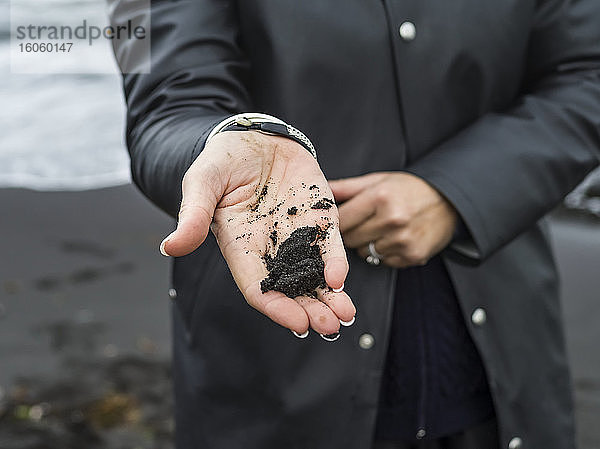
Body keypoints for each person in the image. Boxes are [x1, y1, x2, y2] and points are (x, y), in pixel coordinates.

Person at [109, 1, 600, 448]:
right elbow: (161, 107)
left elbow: (587, 72)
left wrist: (459, 192)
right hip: (276, 372)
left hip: (503, 345)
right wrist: (224, 142)